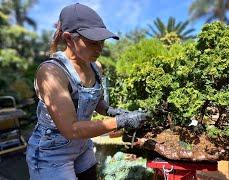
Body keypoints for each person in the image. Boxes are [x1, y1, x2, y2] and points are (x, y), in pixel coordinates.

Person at [26, 3, 149, 180]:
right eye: (92, 43)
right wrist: (120, 121)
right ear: (69, 39)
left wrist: (111, 111)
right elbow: (71, 129)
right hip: (51, 154)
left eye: (102, 42)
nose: (99, 49)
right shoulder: (52, 72)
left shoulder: (95, 66)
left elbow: (94, 101)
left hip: (82, 146)